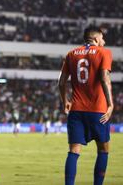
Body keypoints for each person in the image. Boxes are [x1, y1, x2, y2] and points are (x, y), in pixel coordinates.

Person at [58, 27, 113, 185]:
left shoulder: (71, 54)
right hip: (98, 110)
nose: (104, 41)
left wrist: (65, 101)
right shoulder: (104, 53)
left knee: (73, 152)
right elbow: (104, 78)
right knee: (103, 150)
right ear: (96, 39)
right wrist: (110, 105)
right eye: (102, 38)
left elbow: (61, 82)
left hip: (76, 110)